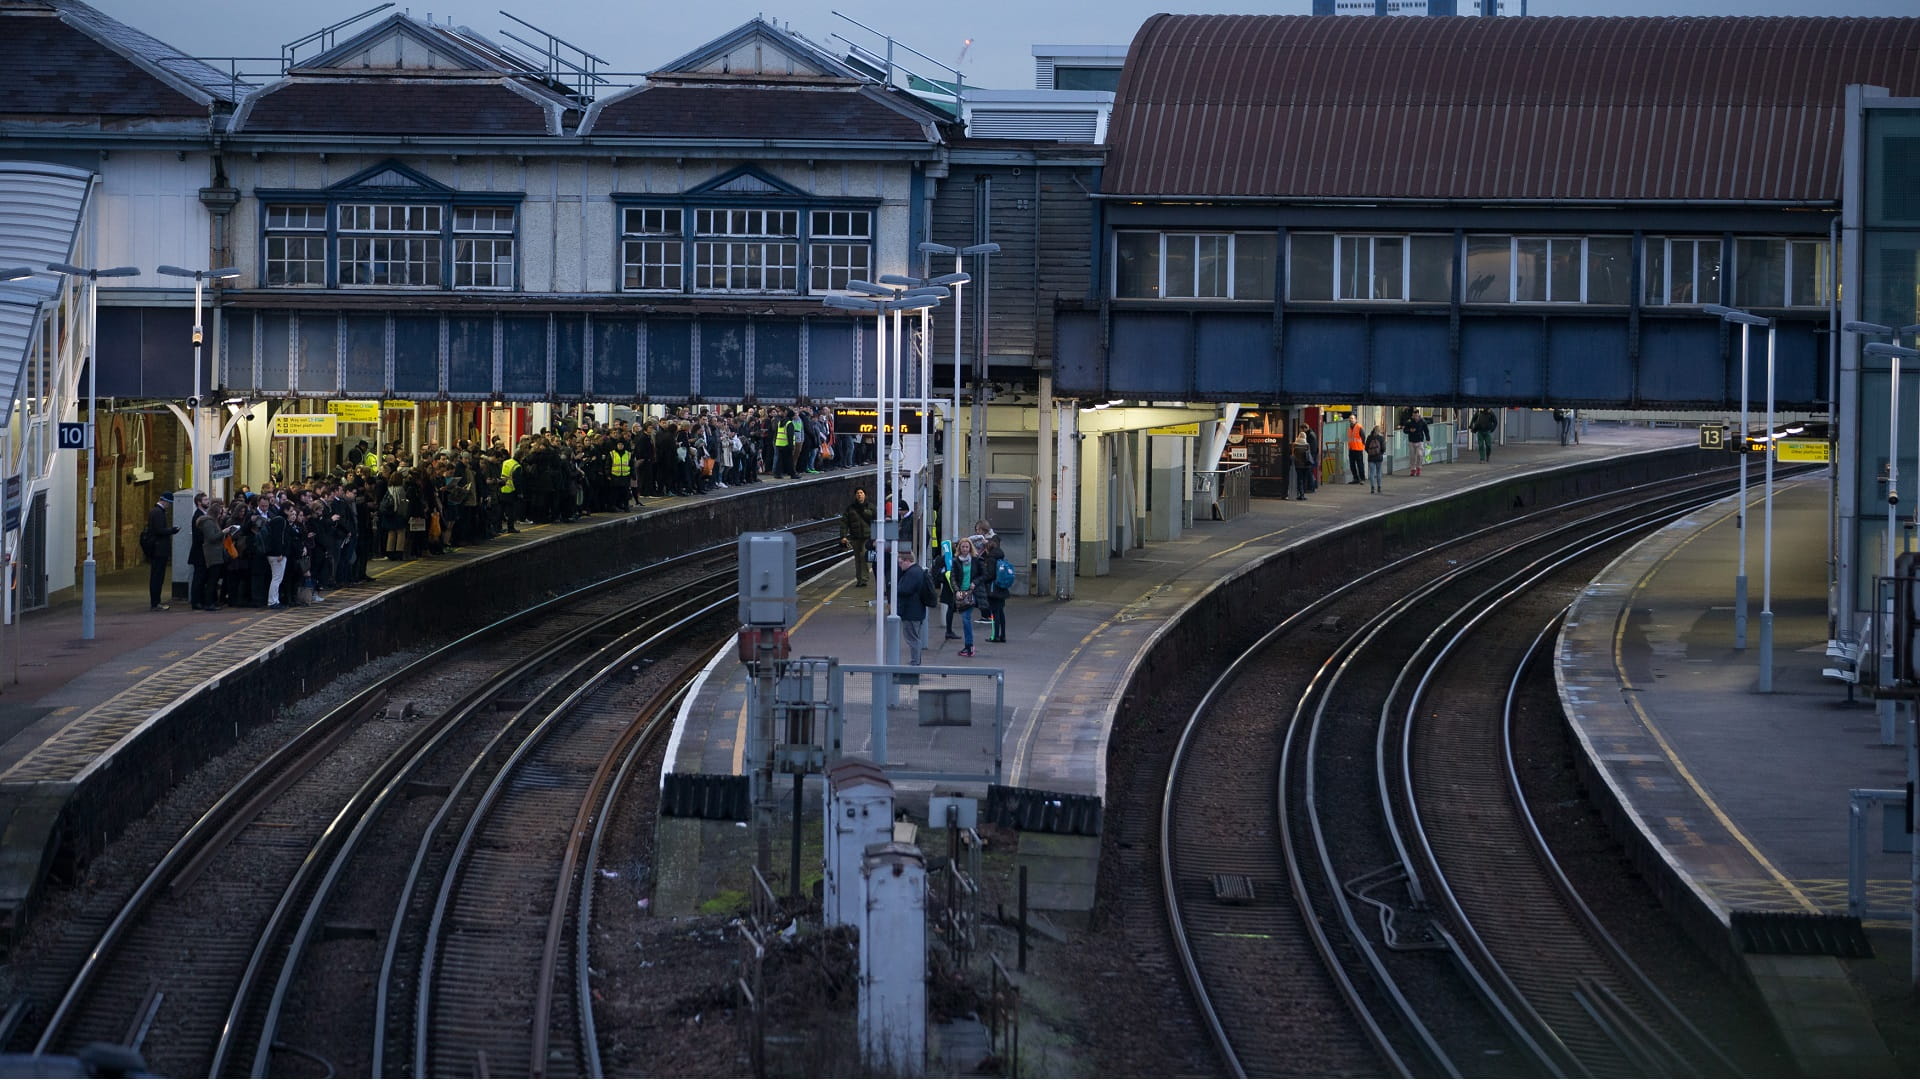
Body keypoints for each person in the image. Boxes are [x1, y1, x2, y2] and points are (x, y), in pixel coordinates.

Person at [892, 548, 936, 666]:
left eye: (900, 562)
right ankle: (915, 661)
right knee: (914, 637)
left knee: (912, 639)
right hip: (916, 611)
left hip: (911, 612)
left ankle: (915, 662)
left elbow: (905, 590)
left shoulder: (912, 573)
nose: (899, 565)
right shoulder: (917, 571)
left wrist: (895, 588)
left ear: (907, 561)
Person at [143, 492, 178, 611]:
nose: (169, 506)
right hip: (159, 549)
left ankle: (156, 602)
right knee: (157, 577)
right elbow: (159, 530)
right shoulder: (158, 513)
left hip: (157, 549)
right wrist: (172, 530)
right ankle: (155, 602)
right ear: (165, 501)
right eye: (169, 503)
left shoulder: (155, 512)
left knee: (157, 576)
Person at [950, 538, 983, 656]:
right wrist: (957, 591)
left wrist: (975, 582)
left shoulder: (975, 560)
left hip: (972, 593)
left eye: (967, 547)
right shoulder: (956, 561)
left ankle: (969, 646)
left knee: (966, 618)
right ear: (959, 548)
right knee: (965, 619)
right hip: (961, 592)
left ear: (970, 548)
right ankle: (968, 646)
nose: (965, 549)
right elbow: (953, 577)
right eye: (963, 547)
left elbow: (983, 574)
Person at [840, 487, 876, 587]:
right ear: (855, 495)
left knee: (863, 556)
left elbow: (876, 520)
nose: (859, 495)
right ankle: (859, 579)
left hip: (867, 537)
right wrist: (843, 536)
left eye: (861, 492)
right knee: (857, 559)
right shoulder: (850, 508)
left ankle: (864, 579)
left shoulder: (871, 507)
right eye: (857, 493)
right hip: (855, 537)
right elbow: (844, 522)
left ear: (865, 495)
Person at [983, 536, 1012, 644]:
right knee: (1001, 612)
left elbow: (990, 575)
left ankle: (995, 636)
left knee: (995, 613)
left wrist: (983, 579)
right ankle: (1002, 635)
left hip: (993, 589)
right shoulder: (1001, 556)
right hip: (1002, 587)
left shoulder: (991, 558)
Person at [1401, 408, 1430, 476]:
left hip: (1420, 441)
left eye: (1416, 416)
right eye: (1414, 416)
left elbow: (1426, 430)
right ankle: (1413, 469)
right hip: (1411, 441)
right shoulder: (1409, 422)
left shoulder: (1422, 421)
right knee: (1412, 456)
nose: (1415, 417)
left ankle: (1418, 468)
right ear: (1412, 415)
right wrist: (1410, 430)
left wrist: (1428, 438)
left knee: (1420, 455)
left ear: (1418, 415)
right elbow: (1405, 430)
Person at [1291, 427, 1314, 500]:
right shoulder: (1307, 445)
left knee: (1299, 479)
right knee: (1304, 480)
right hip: (1306, 465)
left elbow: (1292, 454)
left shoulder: (1294, 445)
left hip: (1298, 465)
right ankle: (1303, 494)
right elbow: (1309, 454)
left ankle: (1300, 494)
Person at [1365, 424, 1388, 494]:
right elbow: (1383, 448)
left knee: (1372, 473)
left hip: (1371, 458)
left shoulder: (1369, 437)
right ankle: (1379, 487)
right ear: (1379, 431)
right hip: (1379, 457)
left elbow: (1366, 448)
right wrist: (1381, 453)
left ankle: (1372, 487)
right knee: (1378, 473)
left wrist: (1370, 453)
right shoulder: (1381, 438)